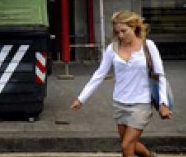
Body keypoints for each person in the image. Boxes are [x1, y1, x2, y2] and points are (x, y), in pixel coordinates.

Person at [70, 10, 172, 157]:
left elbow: (160, 75)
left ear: (134, 27)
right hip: (119, 103)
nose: (120, 36)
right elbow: (99, 75)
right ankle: (149, 156)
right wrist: (81, 98)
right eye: (117, 32)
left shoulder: (148, 46)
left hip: (141, 104)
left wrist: (163, 103)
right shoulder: (112, 48)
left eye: (124, 31)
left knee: (126, 146)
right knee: (130, 143)